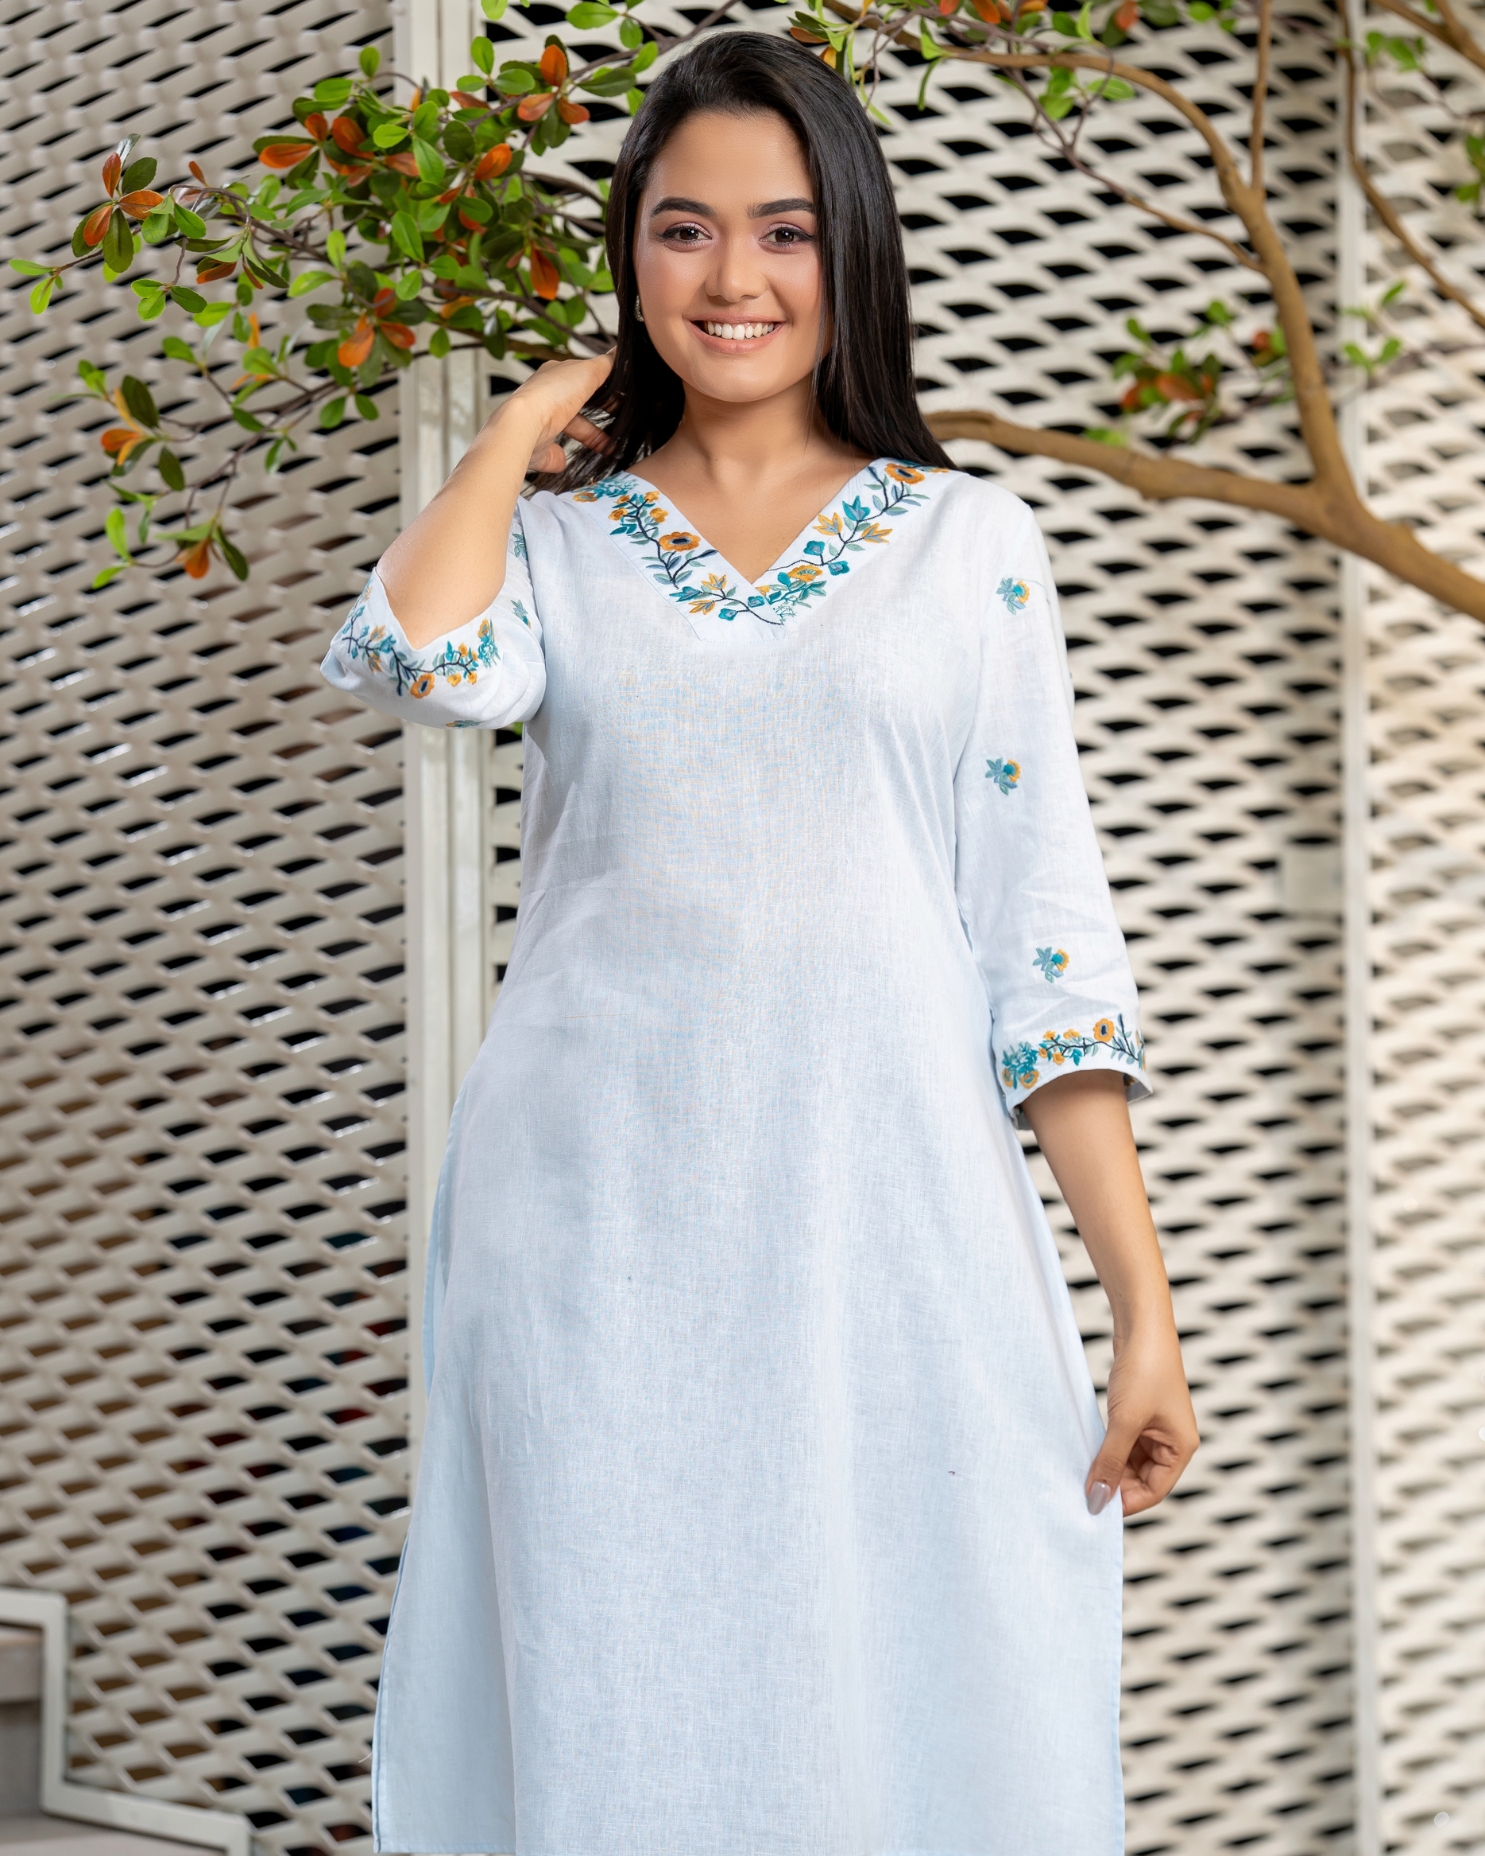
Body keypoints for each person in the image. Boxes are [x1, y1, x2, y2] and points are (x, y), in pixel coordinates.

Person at [322, 29, 1198, 1855]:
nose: (734, 277)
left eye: (785, 230)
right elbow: (416, 661)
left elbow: (1041, 939)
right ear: (631, 257)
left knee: (915, 1681)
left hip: (888, 1224)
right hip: (594, 1232)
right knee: (612, 1676)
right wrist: (516, 429)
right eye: (684, 229)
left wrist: (1140, 1309)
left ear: (849, 249)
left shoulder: (966, 545)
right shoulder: (560, 548)